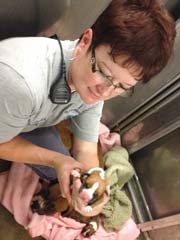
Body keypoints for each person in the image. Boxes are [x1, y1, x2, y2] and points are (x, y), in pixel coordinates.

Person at [0, 0, 176, 216]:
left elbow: (85, 149)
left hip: (26, 119)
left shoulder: (92, 81)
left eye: (122, 86)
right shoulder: (22, 84)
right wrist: (57, 160)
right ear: (85, 41)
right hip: (11, 104)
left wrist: (93, 186)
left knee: (67, 170)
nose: (105, 92)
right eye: (103, 72)